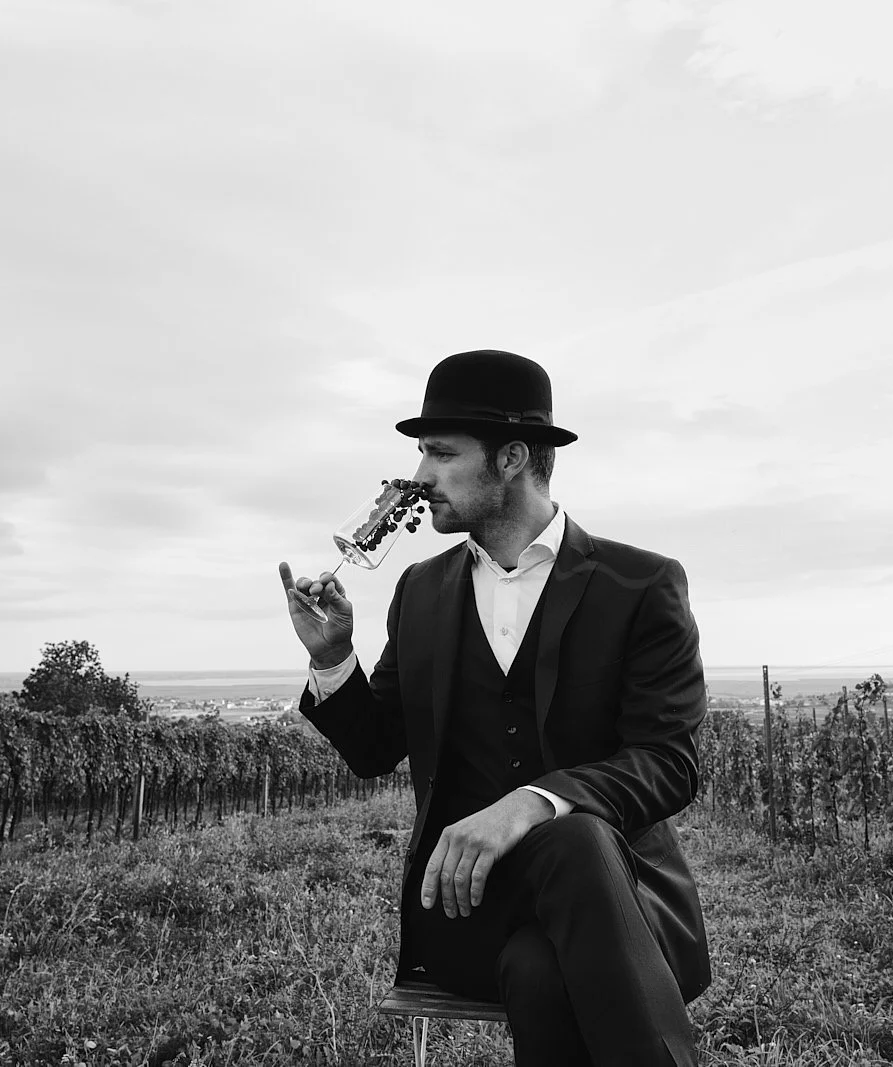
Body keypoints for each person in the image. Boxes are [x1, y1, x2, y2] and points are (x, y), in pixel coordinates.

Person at [278, 349, 709, 1067]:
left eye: (441, 453)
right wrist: (332, 658)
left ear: (512, 457)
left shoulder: (641, 584)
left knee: (549, 952)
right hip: (468, 911)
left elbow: (668, 762)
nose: (419, 477)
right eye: (421, 453)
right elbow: (375, 746)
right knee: (549, 935)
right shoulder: (420, 590)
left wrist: (532, 803)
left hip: (617, 905)